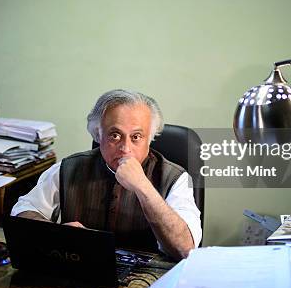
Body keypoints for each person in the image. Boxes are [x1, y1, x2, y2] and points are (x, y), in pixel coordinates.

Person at [11, 89, 201, 260]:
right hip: (81, 274)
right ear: (98, 134)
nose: (125, 148)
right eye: (115, 135)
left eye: (136, 137)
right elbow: (23, 210)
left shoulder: (175, 178)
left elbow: (185, 249)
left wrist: (143, 186)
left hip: (147, 281)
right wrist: (58, 233)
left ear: (149, 139)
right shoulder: (69, 168)